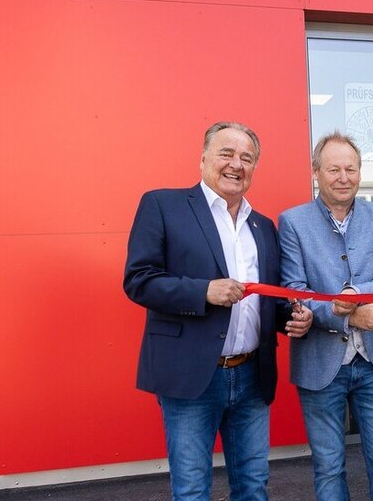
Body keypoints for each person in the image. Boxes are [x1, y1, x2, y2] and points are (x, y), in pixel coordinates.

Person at [123, 122, 312, 501]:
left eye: (247, 158)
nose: (236, 164)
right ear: (203, 158)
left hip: (252, 376)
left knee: (254, 486)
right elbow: (138, 280)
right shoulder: (163, 205)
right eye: (226, 153)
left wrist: (292, 318)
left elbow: (267, 302)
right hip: (193, 376)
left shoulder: (263, 226)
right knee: (192, 489)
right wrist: (202, 291)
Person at [279, 132, 373, 501]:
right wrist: (344, 314)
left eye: (351, 168)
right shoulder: (293, 222)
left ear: (360, 172)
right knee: (329, 467)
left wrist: (355, 295)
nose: (343, 177)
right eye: (333, 168)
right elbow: (295, 289)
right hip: (321, 364)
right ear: (316, 172)